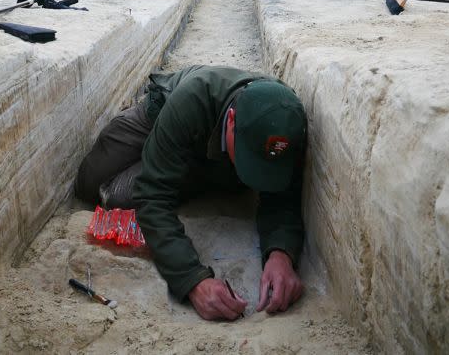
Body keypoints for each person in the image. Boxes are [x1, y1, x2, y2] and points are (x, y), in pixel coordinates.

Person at [75, 65, 307, 321]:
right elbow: (152, 197)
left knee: (120, 198)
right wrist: (193, 280)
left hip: (201, 152)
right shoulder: (192, 100)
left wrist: (281, 253)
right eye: (248, 159)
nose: (254, 175)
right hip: (163, 114)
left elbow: (284, 194)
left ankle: (173, 163)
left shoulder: (287, 124)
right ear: (231, 121)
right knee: (89, 182)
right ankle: (162, 154)